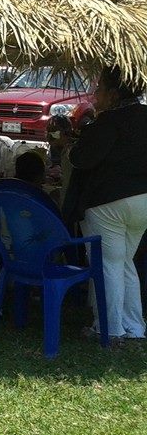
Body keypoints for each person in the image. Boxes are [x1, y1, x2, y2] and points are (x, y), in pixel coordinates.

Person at [66, 65, 147, 341]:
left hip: (108, 203)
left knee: (109, 265)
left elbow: (82, 159)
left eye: (99, 89)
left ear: (113, 94)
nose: (94, 94)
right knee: (125, 263)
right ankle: (134, 328)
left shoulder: (108, 122)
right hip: (143, 202)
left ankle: (109, 328)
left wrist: (72, 147)